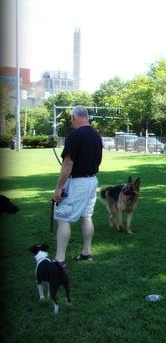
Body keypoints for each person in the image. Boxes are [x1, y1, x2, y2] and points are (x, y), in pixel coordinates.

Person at [53, 105, 103, 265]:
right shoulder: (96, 136)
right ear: (86, 117)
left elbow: (67, 164)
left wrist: (59, 187)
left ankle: (59, 260)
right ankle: (86, 253)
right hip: (92, 180)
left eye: (71, 119)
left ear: (74, 118)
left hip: (77, 183)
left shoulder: (73, 136)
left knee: (62, 217)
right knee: (86, 216)